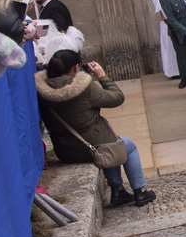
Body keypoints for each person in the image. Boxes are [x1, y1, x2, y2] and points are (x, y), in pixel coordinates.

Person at [36, 50, 157, 208]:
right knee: (127, 146)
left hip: (65, 150)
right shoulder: (84, 87)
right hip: (89, 147)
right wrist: (102, 76)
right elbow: (117, 98)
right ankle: (139, 191)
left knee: (110, 141)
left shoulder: (41, 90)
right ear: (76, 67)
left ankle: (118, 189)